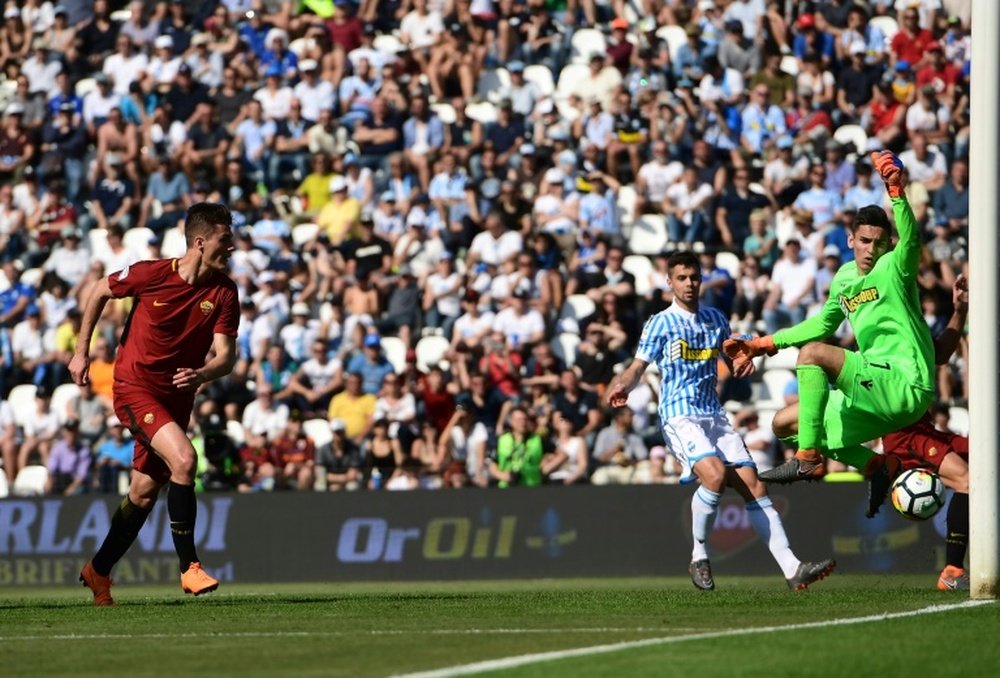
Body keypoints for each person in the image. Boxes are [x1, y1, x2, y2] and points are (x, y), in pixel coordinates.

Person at [604, 251, 834, 591]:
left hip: (713, 413)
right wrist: (623, 383)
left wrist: (742, 362)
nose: (689, 284)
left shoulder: (715, 318)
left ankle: (793, 568)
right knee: (712, 475)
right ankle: (699, 557)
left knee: (754, 485)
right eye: (681, 278)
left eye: (694, 277)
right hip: (679, 414)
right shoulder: (660, 322)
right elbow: (639, 366)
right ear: (669, 281)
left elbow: (732, 355)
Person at [724, 152, 934, 518]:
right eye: (865, 241)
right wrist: (762, 344)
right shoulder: (844, 278)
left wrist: (896, 190)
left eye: (880, 242)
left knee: (812, 355)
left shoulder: (893, 267)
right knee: (784, 423)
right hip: (875, 386)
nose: (872, 249)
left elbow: (912, 239)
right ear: (851, 239)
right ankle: (876, 467)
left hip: (905, 383)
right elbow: (822, 325)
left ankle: (807, 459)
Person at [70, 202, 239, 606]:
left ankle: (98, 570)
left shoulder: (224, 291)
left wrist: (203, 374)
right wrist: (81, 352)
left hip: (176, 397)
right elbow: (99, 291)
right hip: (134, 388)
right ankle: (190, 568)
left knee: (144, 492)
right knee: (184, 460)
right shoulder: (151, 274)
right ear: (200, 242)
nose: (231, 248)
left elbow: (226, 356)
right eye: (225, 240)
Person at [881, 275, 970, 590]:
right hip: (905, 434)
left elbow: (942, 354)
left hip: (925, 429)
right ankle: (952, 571)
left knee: (985, 453)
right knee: (967, 480)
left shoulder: (914, 332)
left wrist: (960, 311)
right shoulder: (887, 333)